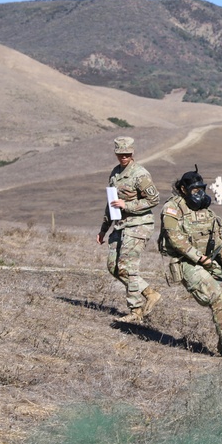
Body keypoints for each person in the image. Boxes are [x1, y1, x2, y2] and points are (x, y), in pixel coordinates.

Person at [159, 166, 222, 363]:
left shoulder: (206, 211)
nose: (199, 193)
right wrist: (200, 258)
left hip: (209, 262)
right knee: (216, 295)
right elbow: (176, 239)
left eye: (201, 189)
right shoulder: (172, 209)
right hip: (186, 263)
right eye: (194, 190)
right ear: (183, 189)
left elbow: (219, 242)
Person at [97, 136, 161, 323]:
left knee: (128, 267)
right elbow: (111, 203)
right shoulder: (115, 174)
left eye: (127, 154)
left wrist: (128, 204)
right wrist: (103, 229)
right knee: (114, 267)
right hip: (120, 225)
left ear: (132, 153)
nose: (123, 157)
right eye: (120, 154)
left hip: (139, 225)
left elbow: (154, 199)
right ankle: (150, 294)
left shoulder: (140, 174)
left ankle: (135, 311)